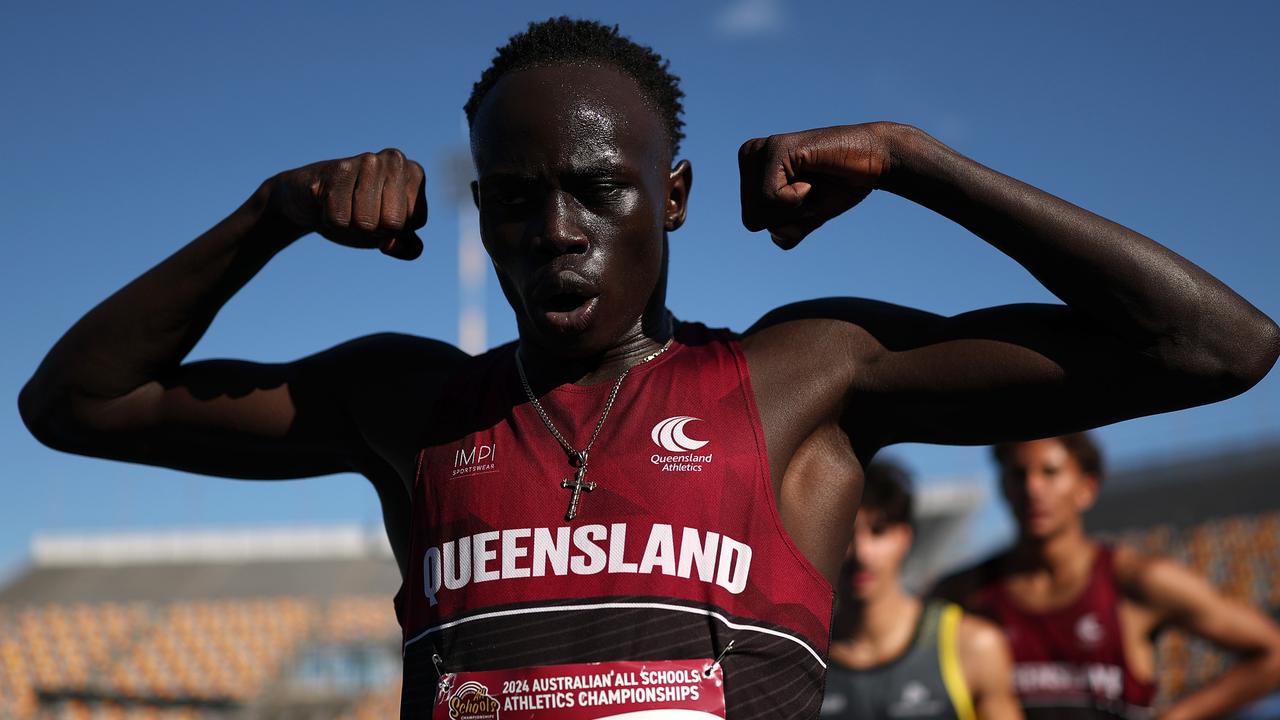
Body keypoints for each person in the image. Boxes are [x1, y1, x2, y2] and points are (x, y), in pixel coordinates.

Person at [17, 16, 1280, 720]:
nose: (554, 233)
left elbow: (1216, 345)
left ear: (669, 196)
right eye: (511, 201)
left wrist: (914, 161)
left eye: (598, 189)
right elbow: (73, 404)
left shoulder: (800, 378)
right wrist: (269, 214)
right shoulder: (410, 399)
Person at [933, 434, 1280, 719]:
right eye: (1018, 474)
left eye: (1051, 472)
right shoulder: (965, 593)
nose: (1033, 488)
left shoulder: (1137, 580)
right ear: (1003, 488)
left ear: (1086, 488)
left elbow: (1272, 653)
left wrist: (1177, 716)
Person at [822, 461, 1022, 720]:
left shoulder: (973, 647)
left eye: (879, 531)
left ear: (905, 537)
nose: (862, 552)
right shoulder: (799, 654)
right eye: (844, 533)